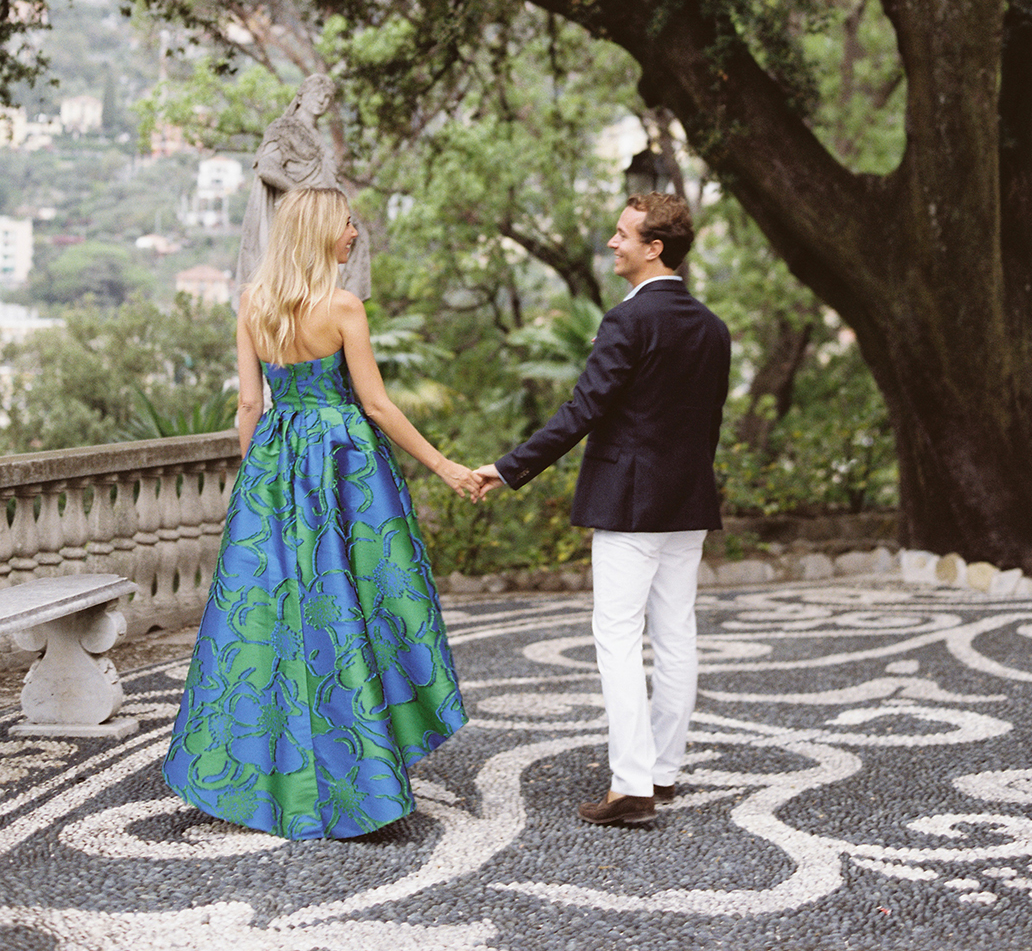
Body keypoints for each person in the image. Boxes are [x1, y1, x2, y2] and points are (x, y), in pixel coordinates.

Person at [164, 187, 479, 840]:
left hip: (277, 468)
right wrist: (445, 465)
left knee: (272, 619)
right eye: (346, 224)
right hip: (343, 470)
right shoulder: (341, 307)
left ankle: (264, 776)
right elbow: (378, 406)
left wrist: (258, 486)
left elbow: (249, 407)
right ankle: (357, 769)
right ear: (317, 233)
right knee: (358, 604)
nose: (354, 233)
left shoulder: (253, 303)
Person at [474, 192, 730, 827]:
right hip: (688, 501)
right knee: (676, 638)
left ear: (654, 248)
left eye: (623, 235)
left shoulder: (629, 322)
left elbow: (582, 412)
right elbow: (708, 427)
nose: (612, 244)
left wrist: (507, 469)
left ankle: (632, 787)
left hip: (629, 505)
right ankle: (663, 774)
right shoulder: (711, 327)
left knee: (617, 639)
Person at [235, 73, 371, 302]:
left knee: (357, 236)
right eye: (317, 94)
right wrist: (305, 197)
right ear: (301, 95)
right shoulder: (285, 128)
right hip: (303, 215)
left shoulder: (316, 135)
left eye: (327, 97)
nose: (322, 100)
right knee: (303, 282)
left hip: (326, 215)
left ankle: (341, 309)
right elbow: (267, 168)